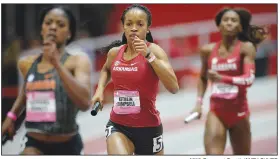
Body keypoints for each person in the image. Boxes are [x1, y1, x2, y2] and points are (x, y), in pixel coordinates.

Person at [1, 5, 92, 155]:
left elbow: (85, 103)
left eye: (60, 24)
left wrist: (57, 64)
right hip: (33, 141)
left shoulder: (78, 61)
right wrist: (11, 116)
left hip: (67, 143)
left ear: (69, 33)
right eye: (48, 23)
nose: (53, 27)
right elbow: (27, 92)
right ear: (42, 29)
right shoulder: (27, 63)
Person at [91, 4, 179, 155]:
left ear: (148, 28)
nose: (133, 28)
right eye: (129, 24)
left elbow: (174, 87)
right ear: (123, 27)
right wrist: (99, 90)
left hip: (148, 128)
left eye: (140, 24)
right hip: (118, 125)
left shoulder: (155, 51)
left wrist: (148, 56)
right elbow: (106, 69)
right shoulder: (114, 53)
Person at [188, 8, 267, 155]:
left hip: (240, 113)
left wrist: (222, 78)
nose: (229, 23)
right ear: (219, 26)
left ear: (240, 27)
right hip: (216, 112)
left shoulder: (246, 48)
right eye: (225, 20)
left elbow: (249, 79)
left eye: (234, 20)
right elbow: (203, 77)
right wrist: (198, 103)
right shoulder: (207, 50)